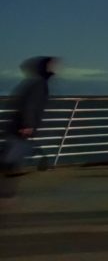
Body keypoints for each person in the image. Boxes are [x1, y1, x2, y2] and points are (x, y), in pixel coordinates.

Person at [1, 56, 57, 199]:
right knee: (10, 160)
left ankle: (7, 191)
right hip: (21, 128)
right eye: (51, 66)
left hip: (17, 127)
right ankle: (6, 191)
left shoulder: (33, 82)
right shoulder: (39, 84)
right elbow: (30, 105)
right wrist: (28, 125)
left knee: (12, 159)